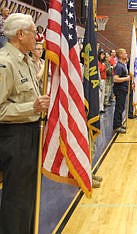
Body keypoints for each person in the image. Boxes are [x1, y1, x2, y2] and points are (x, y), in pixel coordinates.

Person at [0, 13, 51, 234]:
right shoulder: (5, 63)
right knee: (17, 198)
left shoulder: (28, 61)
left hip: (30, 133)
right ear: (20, 35)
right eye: (33, 32)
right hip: (14, 137)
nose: (37, 37)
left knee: (29, 195)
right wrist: (32, 108)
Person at [112, 48, 131, 133]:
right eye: (124, 53)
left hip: (123, 89)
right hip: (120, 89)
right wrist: (126, 78)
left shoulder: (123, 65)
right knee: (119, 107)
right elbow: (115, 79)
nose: (126, 54)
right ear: (120, 55)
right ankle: (116, 126)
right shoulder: (119, 66)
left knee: (122, 107)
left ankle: (119, 124)